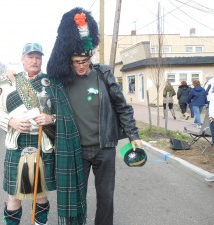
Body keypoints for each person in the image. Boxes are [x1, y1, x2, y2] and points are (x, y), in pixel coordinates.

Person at [46, 7, 142, 225]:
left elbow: (122, 107)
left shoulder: (103, 74)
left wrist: (133, 134)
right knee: (76, 196)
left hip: (104, 147)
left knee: (106, 196)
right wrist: (14, 77)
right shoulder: (62, 80)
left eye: (84, 62)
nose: (80, 66)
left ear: (90, 58)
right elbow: (40, 81)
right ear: (69, 61)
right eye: (76, 62)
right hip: (76, 149)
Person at [0, 43, 86, 225]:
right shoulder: (9, 82)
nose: (35, 61)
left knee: (41, 194)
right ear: (22, 59)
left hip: (44, 143)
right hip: (16, 144)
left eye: (38, 57)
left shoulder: (53, 82)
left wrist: (52, 118)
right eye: (30, 57)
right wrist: (11, 122)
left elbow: (66, 111)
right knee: (14, 196)